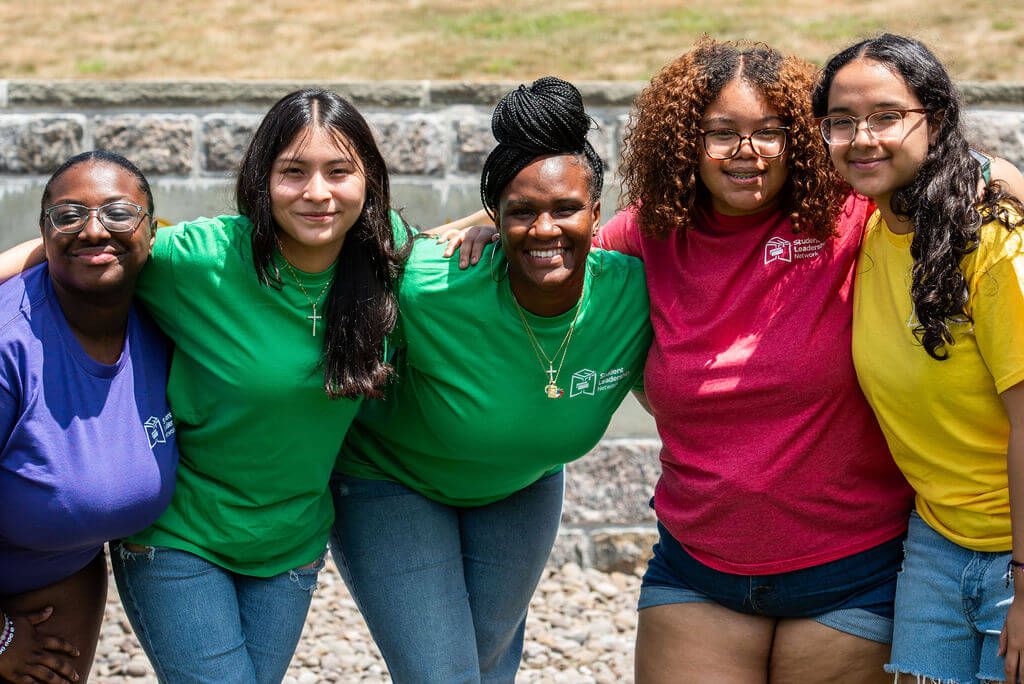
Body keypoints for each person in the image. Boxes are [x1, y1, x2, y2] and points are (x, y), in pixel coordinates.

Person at [0, 89, 404, 683]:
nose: (317, 192)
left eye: (339, 171)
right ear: (261, 179)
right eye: (293, 171)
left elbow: (476, 241)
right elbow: (95, 243)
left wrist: (491, 229)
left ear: (369, 180)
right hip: (181, 537)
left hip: (291, 549)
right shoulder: (202, 261)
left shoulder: (387, 261)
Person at [330, 76, 652, 682]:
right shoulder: (433, 283)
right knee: (441, 674)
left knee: (487, 667)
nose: (545, 229)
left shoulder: (634, 294)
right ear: (495, 218)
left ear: (598, 213)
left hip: (521, 488)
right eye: (520, 212)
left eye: (565, 209)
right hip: (389, 480)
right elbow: (340, 246)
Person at [813, 33, 1024, 684]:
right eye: (841, 122)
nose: (862, 137)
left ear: (934, 119)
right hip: (936, 541)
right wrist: (489, 218)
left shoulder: (992, 241)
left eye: (886, 116)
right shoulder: (873, 221)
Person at [0, 151, 177, 683]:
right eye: (69, 215)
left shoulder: (169, 314)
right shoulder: (10, 344)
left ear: (152, 230)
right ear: (44, 234)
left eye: (119, 213)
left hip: (59, 573)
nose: (94, 230)